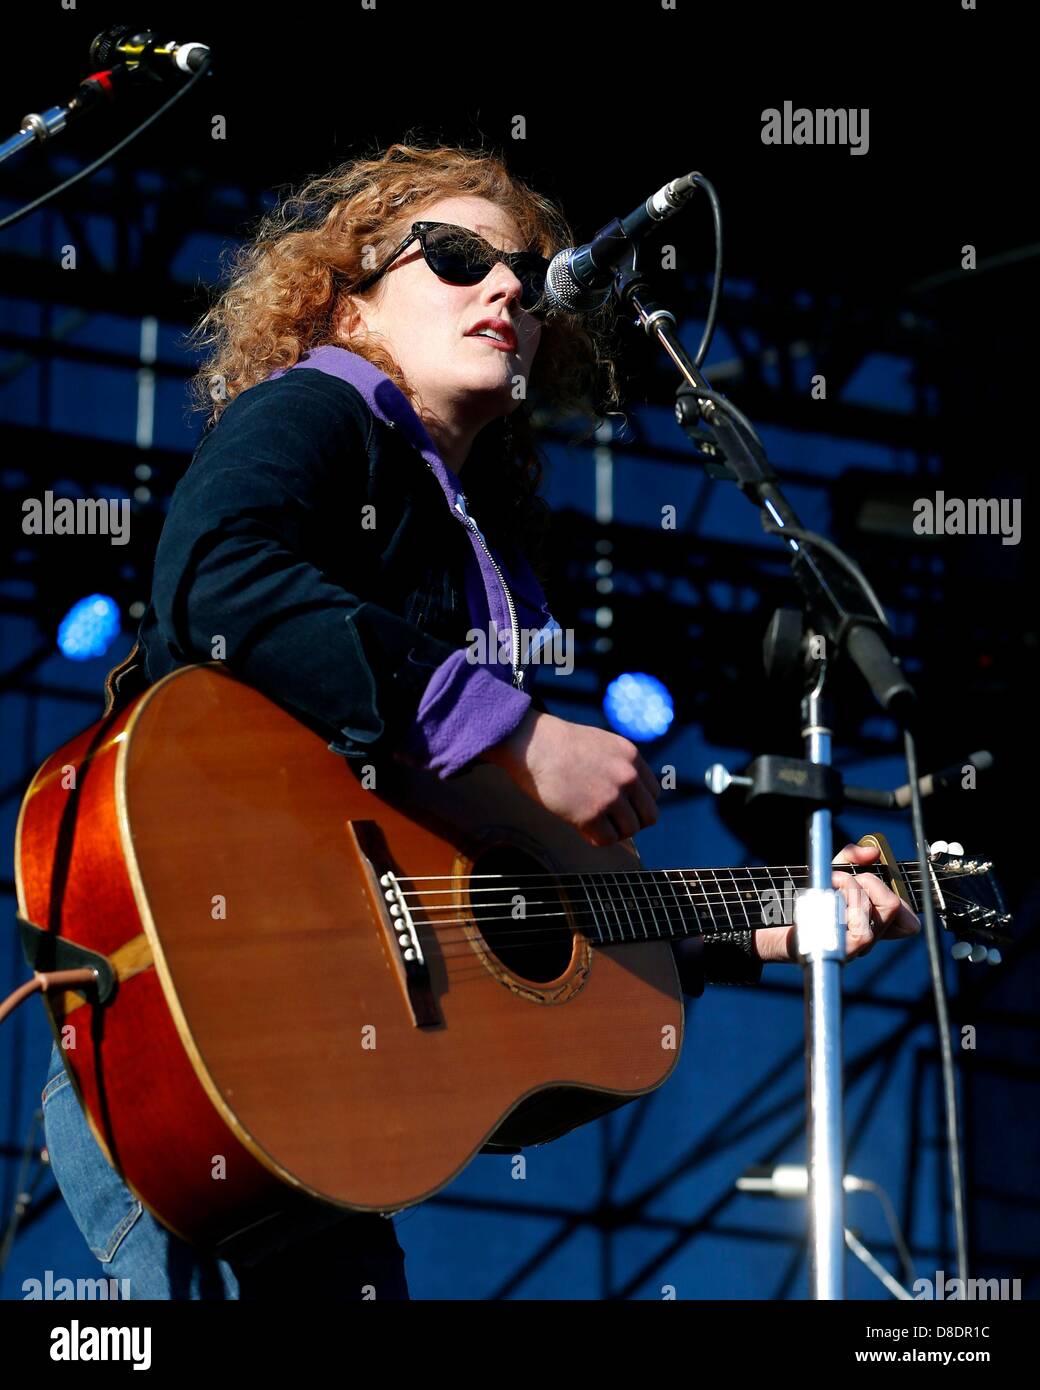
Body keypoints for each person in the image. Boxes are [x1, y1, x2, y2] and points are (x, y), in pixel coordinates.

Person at [40, 141, 922, 1301]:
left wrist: (778, 919)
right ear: (349, 296)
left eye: (526, 271)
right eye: (458, 258)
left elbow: (505, 904)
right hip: (204, 1053)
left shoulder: (488, 554)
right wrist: (516, 736)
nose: (507, 287)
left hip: (322, 1123)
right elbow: (218, 578)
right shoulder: (317, 410)